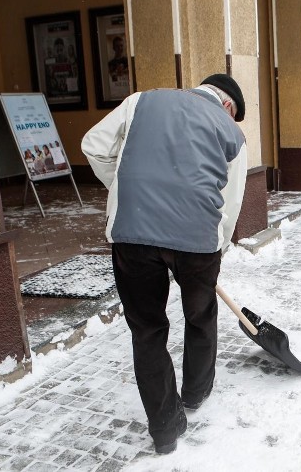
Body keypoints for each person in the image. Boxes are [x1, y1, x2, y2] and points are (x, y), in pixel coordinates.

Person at [81, 73, 248, 455]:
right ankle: (196, 392)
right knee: (200, 315)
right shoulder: (232, 133)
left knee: (148, 330)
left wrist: (126, 189)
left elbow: (93, 145)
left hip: (133, 235)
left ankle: (165, 428)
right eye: (235, 113)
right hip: (196, 241)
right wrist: (216, 248)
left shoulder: (141, 101)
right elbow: (231, 200)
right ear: (227, 106)